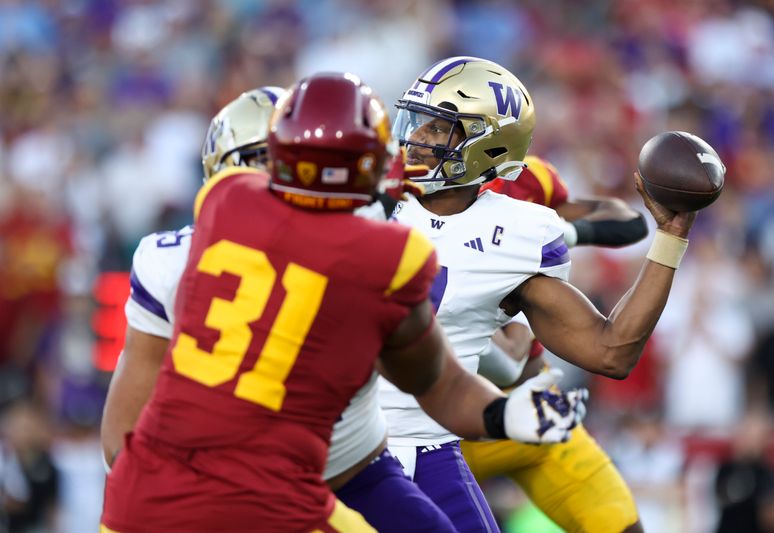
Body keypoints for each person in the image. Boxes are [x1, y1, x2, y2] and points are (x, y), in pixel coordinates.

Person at [100, 72, 586, 533]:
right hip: (269, 496)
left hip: (147, 495)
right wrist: (504, 414)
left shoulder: (226, 201)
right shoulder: (391, 258)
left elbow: (118, 439)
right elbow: (438, 383)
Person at [383, 56, 697, 533]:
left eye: (439, 129)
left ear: (488, 148)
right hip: (356, 434)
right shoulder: (366, 196)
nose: (417, 138)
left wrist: (670, 235)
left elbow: (610, 351)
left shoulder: (522, 226)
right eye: (419, 122)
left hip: (481, 423)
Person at [459, 156, 648, 533]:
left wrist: (565, 233)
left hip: (533, 403)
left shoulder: (528, 179)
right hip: (449, 424)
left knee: (619, 526)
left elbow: (630, 222)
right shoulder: (409, 197)